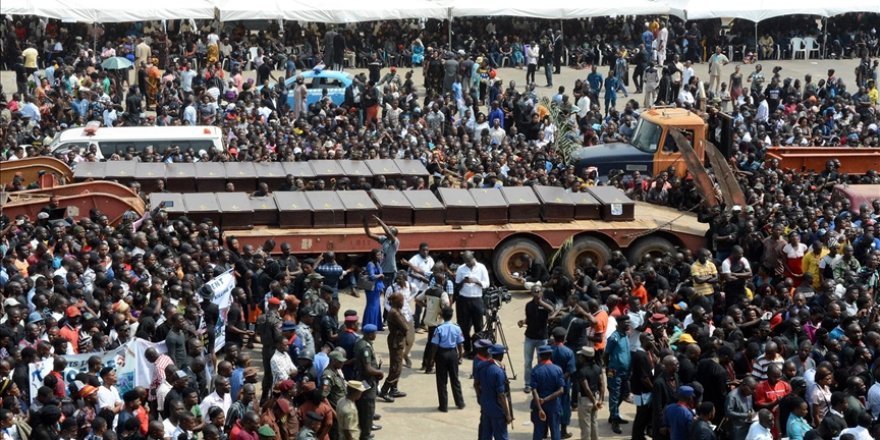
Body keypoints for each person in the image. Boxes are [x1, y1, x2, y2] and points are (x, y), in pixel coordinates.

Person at [454, 251, 490, 356]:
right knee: (464, 327)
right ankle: (467, 349)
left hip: (477, 300)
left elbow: (487, 283)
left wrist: (476, 281)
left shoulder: (481, 267)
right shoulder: (461, 268)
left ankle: (477, 350)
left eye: (469, 261)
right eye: (466, 262)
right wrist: (463, 282)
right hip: (463, 300)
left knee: (478, 326)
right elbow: (457, 285)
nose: (468, 263)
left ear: (473, 258)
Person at [519, 285, 553, 393]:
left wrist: (540, 302)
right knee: (528, 362)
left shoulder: (546, 303)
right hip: (530, 337)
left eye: (538, 291)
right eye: (534, 292)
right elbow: (529, 318)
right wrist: (523, 322)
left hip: (542, 338)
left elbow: (551, 310)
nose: (536, 294)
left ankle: (539, 383)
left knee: (541, 361)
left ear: (541, 292)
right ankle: (528, 384)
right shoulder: (529, 305)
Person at [432, 307, 465, 412]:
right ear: (452, 315)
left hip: (442, 354)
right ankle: (460, 403)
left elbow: (435, 345)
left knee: (442, 381)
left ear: (442, 316)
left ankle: (443, 406)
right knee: (455, 378)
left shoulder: (439, 329)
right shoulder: (457, 328)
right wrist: (460, 356)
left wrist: (432, 358)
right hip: (453, 353)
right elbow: (460, 344)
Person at [476, 344, 512, 440]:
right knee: (501, 436)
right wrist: (507, 414)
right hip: (497, 411)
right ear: (501, 356)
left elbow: (476, 384)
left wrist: (480, 398)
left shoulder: (481, 366)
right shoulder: (499, 372)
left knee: (486, 435)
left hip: (485, 407)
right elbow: (501, 395)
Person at [353, 324, 383, 440]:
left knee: (363, 404)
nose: (375, 335)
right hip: (367, 381)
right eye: (374, 333)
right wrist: (379, 372)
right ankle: (366, 434)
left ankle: (365, 428)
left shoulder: (361, 342)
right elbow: (368, 369)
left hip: (363, 379)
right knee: (368, 405)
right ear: (370, 334)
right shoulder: (365, 348)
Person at [530, 345, 565, 440]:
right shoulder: (557, 370)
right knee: (555, 430)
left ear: (540, 356)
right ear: (550, 355)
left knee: (538, 432)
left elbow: (534, 390)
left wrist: (540, 408)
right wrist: (546, 399)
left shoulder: (535, 370)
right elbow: (561, 390)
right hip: (553, 405)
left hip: (538, 404)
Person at [378, 292, 407, 402]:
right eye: (401, 301)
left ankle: (394, 388)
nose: (403, 303)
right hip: (396, 342)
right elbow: (405, 327)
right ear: (397, 302)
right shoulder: (394, 313)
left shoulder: (396, 310)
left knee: (396, 365)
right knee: (396, 368)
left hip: (397, 340)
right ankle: (384, 390)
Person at [604, 314, 631, 434]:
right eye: (626, 323)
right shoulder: (614, 338)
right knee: (614, 395)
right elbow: (606, 354)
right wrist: (609, 368)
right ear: (619, 324)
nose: (628, 325)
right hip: (614, 371)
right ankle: (614, 420)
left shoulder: (625, 335)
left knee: (624, 393)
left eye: (629, 323)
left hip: (625, 372)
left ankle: (614, 414)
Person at [574, 347, 604, 440]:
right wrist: (600, 400)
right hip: (596, 397)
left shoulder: (582, 371)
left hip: (586, 400)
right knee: (594, 422)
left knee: (585, 425)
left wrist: (594, 401)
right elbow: (602, 384)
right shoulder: (598, 368)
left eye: (581, 356)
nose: (580, 357)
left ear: (584, 357)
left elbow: (586, 388)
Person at [362, 249, 385, 331]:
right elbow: (371, 276)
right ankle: (369, 326)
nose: (380, 256)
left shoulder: (377, 263)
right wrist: (380, 275)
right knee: (371, 306)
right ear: (373, 256)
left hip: (377, 288)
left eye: (380, 255)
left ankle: (377, 325)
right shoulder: (370, 264)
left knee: (377, 306)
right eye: (378, 255)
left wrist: (381, 287)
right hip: (371, 288)